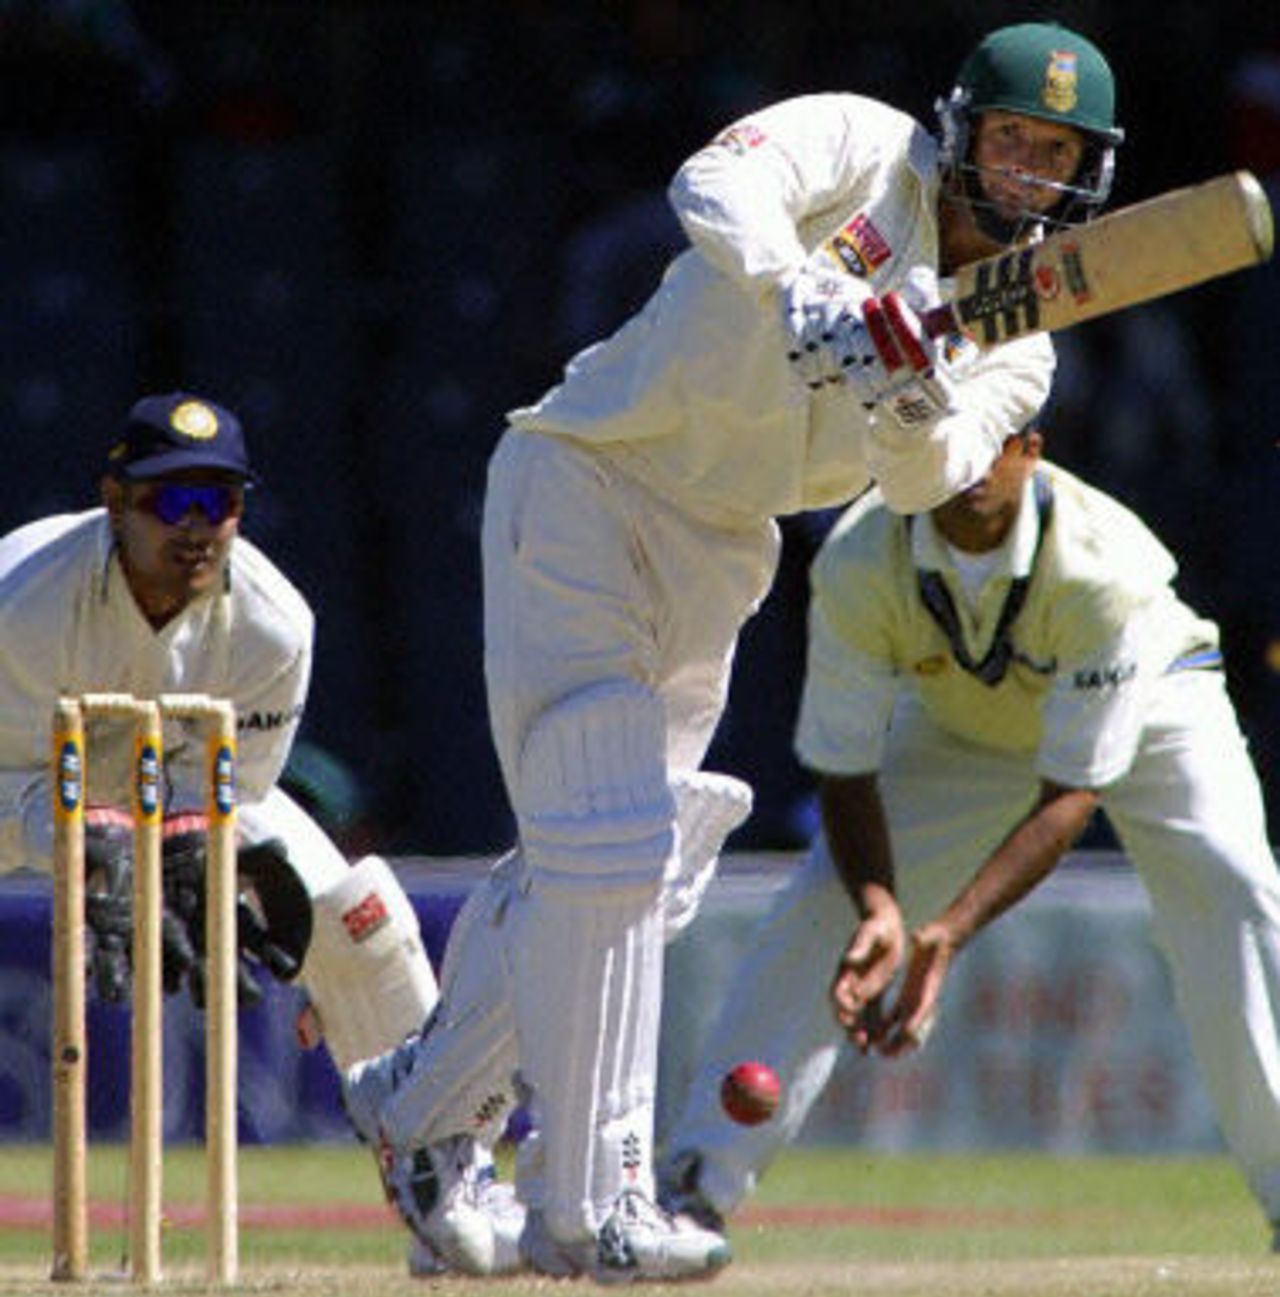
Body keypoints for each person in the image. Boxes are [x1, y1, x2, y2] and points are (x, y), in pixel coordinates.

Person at [344, 21, 1123, 1281]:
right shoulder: (868, 147)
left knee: (621, 863)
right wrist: (803, 290)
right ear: (964, 131)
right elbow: (714, 182)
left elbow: (925, 476)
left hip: (724, 546)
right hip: (591, 473)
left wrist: (904, 376)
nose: (1027, 172)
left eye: (1056, 153)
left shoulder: (1018, 343)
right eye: (1011, 139)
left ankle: (422, 1106)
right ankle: (590, 1204)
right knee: (607, 835)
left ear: (1084, 176)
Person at [654, 423, 1280, 1254]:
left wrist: (945, 932)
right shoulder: (855, 559)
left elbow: (1070, 792)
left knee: (1232, 883)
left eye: (995, 442)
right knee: (822, 907)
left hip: (1156, 705)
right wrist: (880, 905)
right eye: (946, 443)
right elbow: (845, 764)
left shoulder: (1108, 568)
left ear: (1033, 447)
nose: (969, 468)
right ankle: (695, 1187)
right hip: (961, 722)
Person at [0, 391, 484, 1270]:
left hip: (159, 774)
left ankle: (441, 1170)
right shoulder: (24, 604)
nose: (198, 528)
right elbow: (14, 776)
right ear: (115, 501)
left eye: (219, 502)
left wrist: (201, 853)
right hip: (17, 783)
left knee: (355, 912)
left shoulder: (273, 623)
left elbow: (232, 788)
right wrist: (89, 842)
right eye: (171, 501)